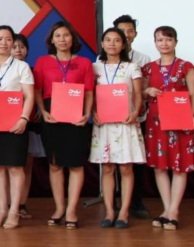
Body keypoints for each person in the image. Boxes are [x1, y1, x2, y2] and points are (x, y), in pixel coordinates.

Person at [34, 21, 94, 230]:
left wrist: (87, 114)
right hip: (52, 115)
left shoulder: (85, 63)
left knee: (76, 164)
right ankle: (59, 208)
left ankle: (71, 210)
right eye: (58, 36)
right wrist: (43, 112)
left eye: (66, 35)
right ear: (52, 40)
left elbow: (89, 92)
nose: (62, 39)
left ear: (72, 39)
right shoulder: (42, 62)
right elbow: (37, 90)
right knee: (55, 164)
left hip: (76, 115)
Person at [142, 26, 194, 231]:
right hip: (156, 123)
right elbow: (141, 93)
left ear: (175, 42)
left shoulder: (186, 66)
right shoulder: (148, 68)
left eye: (168, 39)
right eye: (160, 40)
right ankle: (166, 209)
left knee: (179, 166)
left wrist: (190, 116)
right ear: (155, 43)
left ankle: (174, 210)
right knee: (160, 167)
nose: (164, 43)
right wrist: (148, 91)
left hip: (179, 121)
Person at [90, 27, 146, 229]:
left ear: (123, 45)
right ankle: (109, 212)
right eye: (108, 40)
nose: (112, 44)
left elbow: (138, 94)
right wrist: (93, 112)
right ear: (102, 43)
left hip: (125, 122)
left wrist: (136, 112)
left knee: (126, 168)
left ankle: (124, 212)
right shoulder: (95, 67)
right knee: (107, 168)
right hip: (104, 124)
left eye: (117, 40)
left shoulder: (132, 67)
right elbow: (91, 94)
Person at [0, 26, 35, 230]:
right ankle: (2, 210)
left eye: (8, 39)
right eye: (0, 39)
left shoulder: (22, 67)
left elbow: (29, 96)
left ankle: (14, 211)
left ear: (13, 42)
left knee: (15, 167)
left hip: (15, 119)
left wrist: (23, 119)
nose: (4, 43)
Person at [112, 14, 152, 219]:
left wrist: (138, 107)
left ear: (135, 34)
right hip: (111, 119)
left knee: (136, 162)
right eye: (122, 31)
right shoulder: (102, 60)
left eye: (130, 31)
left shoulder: (144, 59)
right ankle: (114, 203)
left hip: (136, 117)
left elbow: (145, 89)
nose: (126, 34)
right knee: (113, 163)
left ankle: (135, 202)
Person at [12, 33, 41, 220]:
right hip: (7, 123)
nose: (18, 50)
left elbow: (37, 93)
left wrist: (40, 109)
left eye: (21, 47)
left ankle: (22, 203)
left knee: (27, 164)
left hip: (29, 121)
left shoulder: (31, 70)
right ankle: (8, 203)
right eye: (14, 46)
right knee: (9, 165)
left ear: (27, 50)